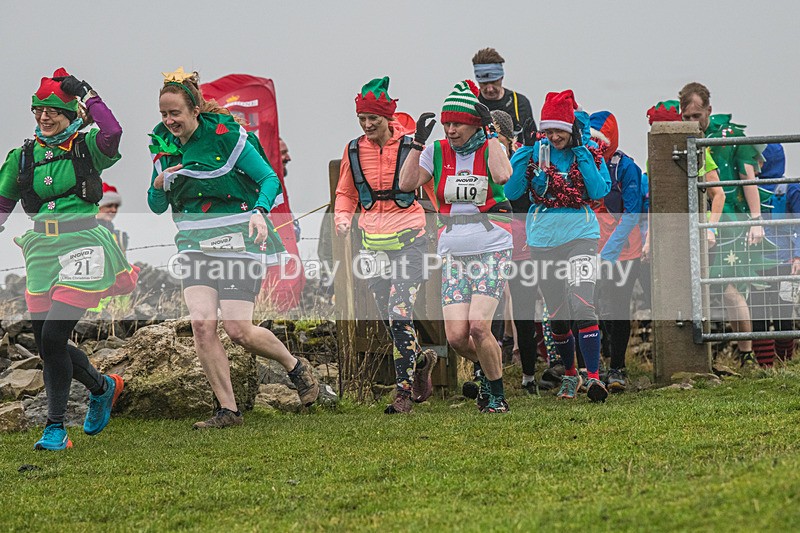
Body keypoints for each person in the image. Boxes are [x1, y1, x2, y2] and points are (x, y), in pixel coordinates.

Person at [148, 68, 319, 429]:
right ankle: (229, 411)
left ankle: (295, 367)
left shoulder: (226, 136)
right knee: (201, 324)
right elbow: (156, 205)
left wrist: (260, 211)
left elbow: (268, 178)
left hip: (239, 239)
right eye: (163, 114)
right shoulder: (163, 143)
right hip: (194, 244)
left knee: (239, 330)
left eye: (175, 113)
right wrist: (159, 183)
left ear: (195, 110)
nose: (169, 121)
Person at [0, 68, 138, 450]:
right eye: (38, 110)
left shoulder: (87, 146)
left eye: (53, 111)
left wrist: (87, 92)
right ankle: (103, 387)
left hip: (83, 244)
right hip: (40, 251)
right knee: (47, 345)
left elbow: (113, 132)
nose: (44, 116)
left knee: (53, 335)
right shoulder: (22, 157)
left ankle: (55, 428)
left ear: (70, 113)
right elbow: (3, 203)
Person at [400, 80, 514, 413]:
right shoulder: (435, 151)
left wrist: (491, 134)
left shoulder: (490, 147)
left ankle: (496, 395)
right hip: (453, 250)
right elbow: (406, 184)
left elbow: (503, 176)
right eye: (446, 123)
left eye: (458, 124)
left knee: (479, 325)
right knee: (456, 337)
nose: (450, 130)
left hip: (492, 245)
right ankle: (488, 372)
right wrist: (417, 143)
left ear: (474, 123)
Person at [334, 76, 438, 414]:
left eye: (373, 119)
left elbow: (432, 186)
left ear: (387, 118)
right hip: (372, 245)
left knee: (399, 313)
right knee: (389, 319)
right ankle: (420, 361)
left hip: (410, 241)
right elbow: (346, 192)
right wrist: (342, 218)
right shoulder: (353, 150)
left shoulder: (410, 147)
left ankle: (403, 394)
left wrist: (445, 222)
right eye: (362, 118)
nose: (367, 125)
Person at [505, 90, 611, 402]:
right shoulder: (537, 151)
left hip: (581, 236)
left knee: (583, 303)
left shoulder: (589, 152)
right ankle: (570, 374)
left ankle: (594, 379)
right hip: (543, 240)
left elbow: (598, 190)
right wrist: (525, 149)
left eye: (559, 131)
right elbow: (511, 191)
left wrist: (580, 151)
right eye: (548, 131)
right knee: (558, 314)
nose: (553, 137)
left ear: (571, 128)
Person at [679, 82, 767, 366]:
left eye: (697, 115)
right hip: (699, 220)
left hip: (731, 221)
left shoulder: (730, 136)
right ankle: (740, 353)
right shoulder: (681, 136)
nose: (693, 122)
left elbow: (748, 179)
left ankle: (747, 354)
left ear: (709, 110)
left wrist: (756, 220)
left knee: (730, 288)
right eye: (686, 117)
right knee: (719, 289)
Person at [589, 111, 644, 392]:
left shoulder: (626, 167)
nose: (594, 145)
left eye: (598, 140)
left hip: (624, 251)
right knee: (592, 306)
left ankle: (617, 368)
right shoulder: (583, 162)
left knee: (618, 306)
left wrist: (609, 252)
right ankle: (595, 366)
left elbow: (632, 214)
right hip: (590, 246)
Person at [750, 144, 798, 366]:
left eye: (758, 159)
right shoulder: (751, 187)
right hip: (770, 261)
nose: (756, 164)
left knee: (773, 313)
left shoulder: (789, 188)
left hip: (774, 260)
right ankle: (773, 364)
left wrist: (797, 256)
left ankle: (776, 363)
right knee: (769, 314)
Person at [471, 48, 534, 134]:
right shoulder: (471, 103)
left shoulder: (520, 103)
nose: (490, 89)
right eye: (484, 83)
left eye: (494, 82)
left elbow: (533, 139)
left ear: (502, 77)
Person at [96, 182, 129, 255]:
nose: (114, 210)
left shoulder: (119, 236)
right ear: (98, 206)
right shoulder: (85, 232)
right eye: (109, 205)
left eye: (116, 206)